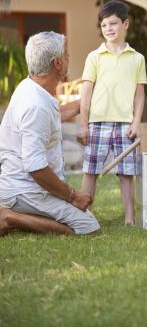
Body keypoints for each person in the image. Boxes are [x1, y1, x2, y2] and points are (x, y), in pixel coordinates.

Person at [0, 31, 100, 236]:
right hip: (25, 189)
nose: (69, 57)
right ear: (57, 63)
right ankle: (10, 217)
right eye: (67, 54)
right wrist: (73, 196)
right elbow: (35, 167)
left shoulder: (31, 87)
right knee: (86, 226)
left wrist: (85, 103)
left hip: (22, 185)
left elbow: (52, 117)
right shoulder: (36, 105)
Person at [78, 0, 147, 226]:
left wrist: (137, 122)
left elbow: (139, 95)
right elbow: (86, 92)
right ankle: (84, 216)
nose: (108, 28)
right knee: (91, 171)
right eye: (104, 24)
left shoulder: (137, 58)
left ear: (125, 24)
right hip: (97, 123)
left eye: (113, 23)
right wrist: (83, 124)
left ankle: (129, 219)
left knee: (127, 174)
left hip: (125, 124)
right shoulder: (94, 57)